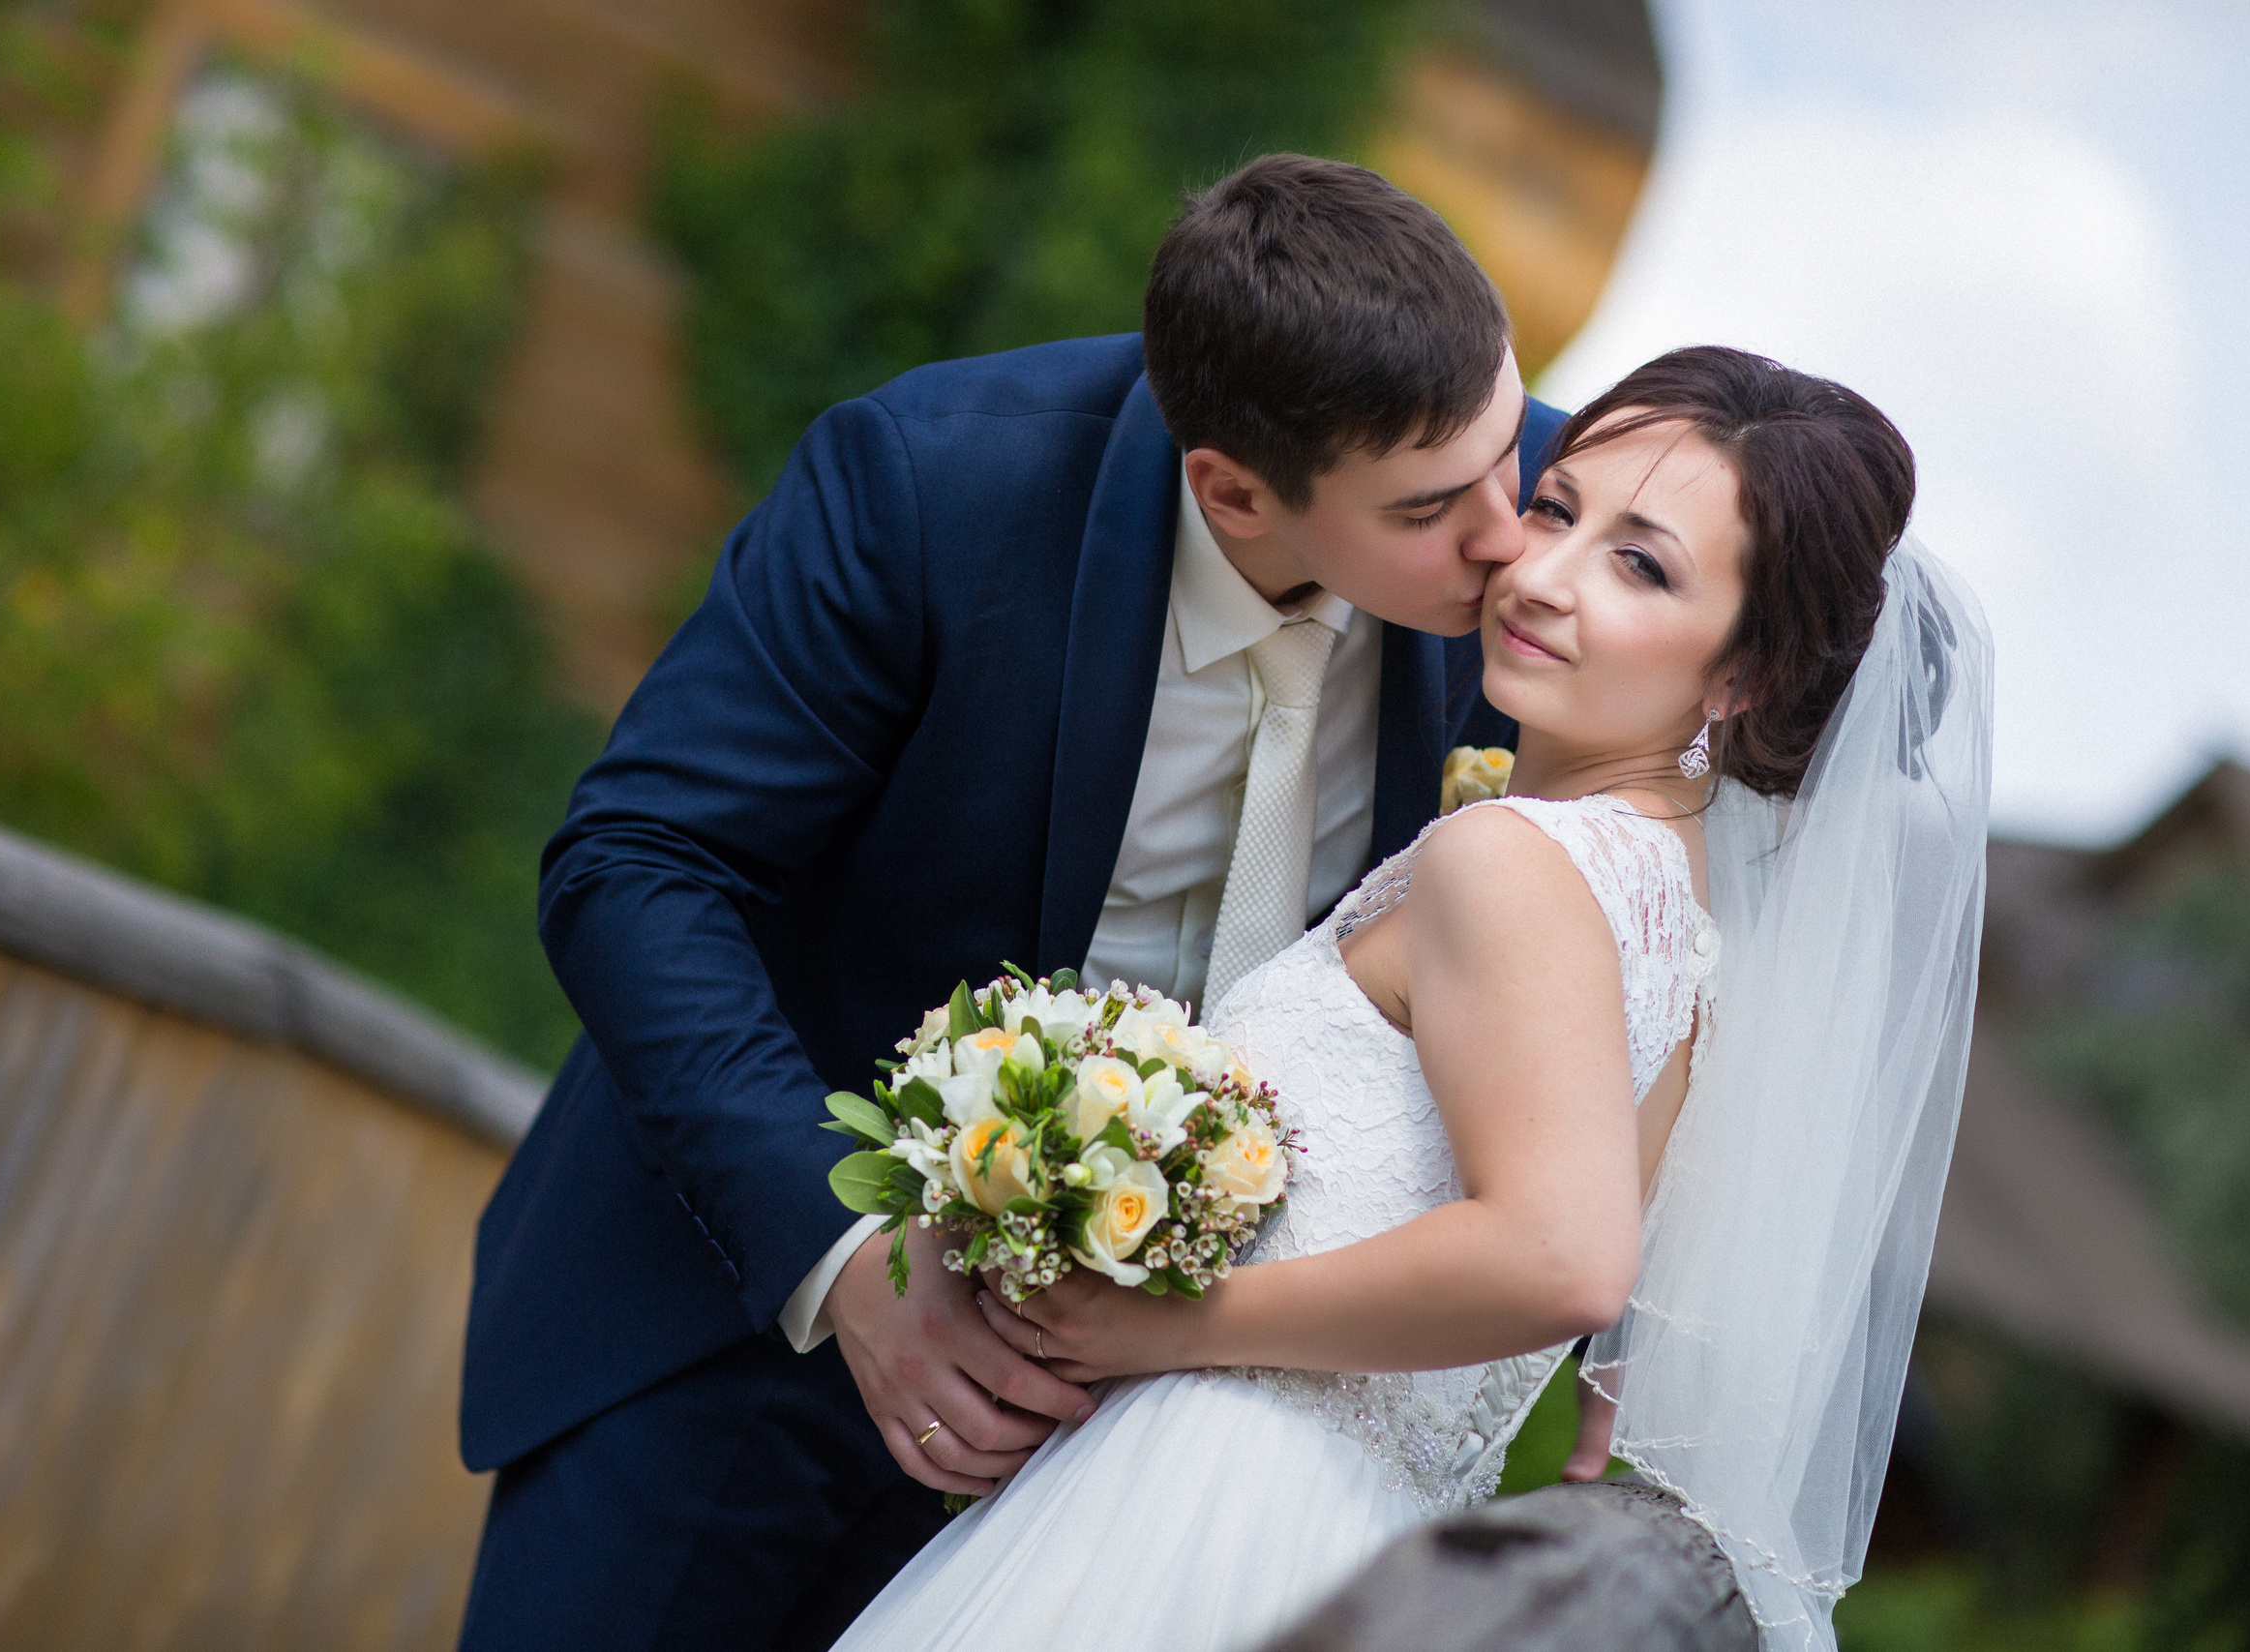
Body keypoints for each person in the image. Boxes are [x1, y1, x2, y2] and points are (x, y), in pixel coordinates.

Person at [455, 154, 1572, 1650]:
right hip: (743, 1341)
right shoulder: (930, 487)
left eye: (1514, 447)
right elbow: (637, 866)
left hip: (1142, 1449)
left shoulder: (1548, 522)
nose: (1513, 539)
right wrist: (848, 1266)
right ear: (1230, 486)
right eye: (1438, 506)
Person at [825, 346, 1992, 1652]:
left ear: (1745, 676)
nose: (1541, 576)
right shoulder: (1687, 913)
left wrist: (1159, 1323)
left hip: (1213, 1508)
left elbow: (1563, 1256)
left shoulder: (1514, 860)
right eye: (1557, 510)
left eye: (1641, 563)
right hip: (1375, 1548)